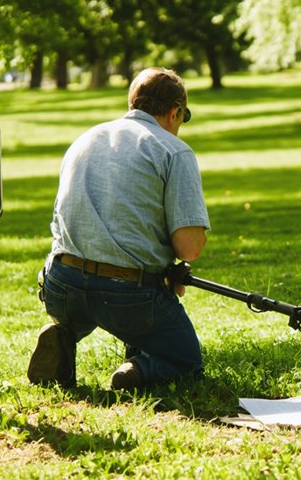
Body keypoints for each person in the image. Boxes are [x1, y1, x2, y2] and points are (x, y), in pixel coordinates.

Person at [27, 67, 210, 390]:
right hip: (126, 294)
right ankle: (139, 369)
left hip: (61, 285)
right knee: (185, 360)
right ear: (175, 112)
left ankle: (64, 335)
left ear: (132, 104)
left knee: (89, 302)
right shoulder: (172, 149)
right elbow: (189, 247)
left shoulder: (84, 139)